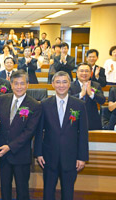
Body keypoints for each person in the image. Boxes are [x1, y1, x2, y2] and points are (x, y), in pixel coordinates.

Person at [34, 71, 89, 200]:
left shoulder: (79, 105)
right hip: (48, 156)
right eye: (58, 82)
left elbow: (83, 133)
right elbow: (39, 131)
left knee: (68, 192)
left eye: (64, 82)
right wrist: (39, 153)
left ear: (69, 84)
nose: (61, 85)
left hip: (71, 157)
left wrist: (82, 157)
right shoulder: (44, 104)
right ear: (52, 84)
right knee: (48, 191)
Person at [0, 70, 42, 200]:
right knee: (5, 188)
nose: (19, 87)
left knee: (22, 190)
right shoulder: (3, 99)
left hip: (21, 154)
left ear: (28, 85)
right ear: (11, 84)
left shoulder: (35, 105)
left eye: (22, 84)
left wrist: (10, 147)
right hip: (3, 154)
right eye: (16, 84)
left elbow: (29, 132)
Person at [69, 63, 105, 130]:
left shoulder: (96, 85)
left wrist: (91, 94)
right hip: (74, 120)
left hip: (92, 121)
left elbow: (102, 101)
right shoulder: (70, 86)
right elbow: (67, 101)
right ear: (77, 72)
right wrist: (81, 95)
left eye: (87, 71)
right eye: (81, 71)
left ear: (91, 72)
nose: (84, 73)